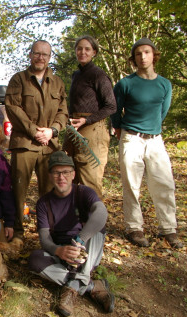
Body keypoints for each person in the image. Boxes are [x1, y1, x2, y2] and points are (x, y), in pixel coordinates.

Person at [111, 38, 182, 249]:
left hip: (155, 140)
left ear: (154, 55)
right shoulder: (125, 84)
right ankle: (134, 227)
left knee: (164, 183)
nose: (142, 57)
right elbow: (116, 110)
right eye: (138, 54)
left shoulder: (164, 84)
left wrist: (152, 129)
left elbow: (163, 112)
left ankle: (168, 228)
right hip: (131, 138)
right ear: (133, 59)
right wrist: (120, 129)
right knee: (132, 184)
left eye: (146, 52)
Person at [28, 151, 114, 317]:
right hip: (63, 252)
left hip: (86, 249)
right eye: (56, 172)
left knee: (98, 227)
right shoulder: (43, 203)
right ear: (50, 176)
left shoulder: (84, 192)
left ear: (73, 174)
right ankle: (90, 286)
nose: (62, 177)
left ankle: (72, 287)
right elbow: (45, 239)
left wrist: (80, 240)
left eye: (66, 172)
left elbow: (101, 213)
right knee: (34, 260)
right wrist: (58, 250)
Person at [5, 40, 69, 241]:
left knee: (50, 191)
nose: (40, 57)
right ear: (30, 54)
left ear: (50, 57)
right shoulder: (18, 80)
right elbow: (13, 108)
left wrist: (52, 131)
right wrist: (34, 132)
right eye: (37, 53)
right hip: (24, 144)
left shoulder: (57, 82)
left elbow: (63, 112)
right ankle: (17, 232)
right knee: (18, 189)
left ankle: (48, 233)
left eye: (45, 54)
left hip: (49, 146)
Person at [63, 35, 116, 198]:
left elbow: (111, 106)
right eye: (79, 48)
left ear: (94, 52)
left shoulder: (98, 75)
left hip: (93, 130)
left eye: (87, 49)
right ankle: (74, 220)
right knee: (69, 176)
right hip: (74, 130)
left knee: (90, 180)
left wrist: (88, 120)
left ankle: (96, 222)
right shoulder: (76, 75)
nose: (82, 52)